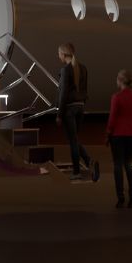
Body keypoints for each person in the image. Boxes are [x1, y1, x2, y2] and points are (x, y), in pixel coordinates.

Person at [55, 43, 99, 182]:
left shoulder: (65, 70)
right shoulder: (83, 68)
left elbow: (63, 94)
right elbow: (85, 90)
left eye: (59, 53)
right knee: (74, 139)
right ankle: (89, 162)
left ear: (63, 54)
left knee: (73, 141)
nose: (58, 56)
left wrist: (59, 114)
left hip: (69, 109)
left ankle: (77, 171)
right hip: (80, 107)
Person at [107, 68, 132, 208]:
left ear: (121, 81)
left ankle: (120, 197)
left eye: (117, 78)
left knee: (117, 165)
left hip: (117, 135)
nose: (116, 80)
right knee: (129, 165)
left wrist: (108, 133)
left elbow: (112, 118)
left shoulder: (116, 97)